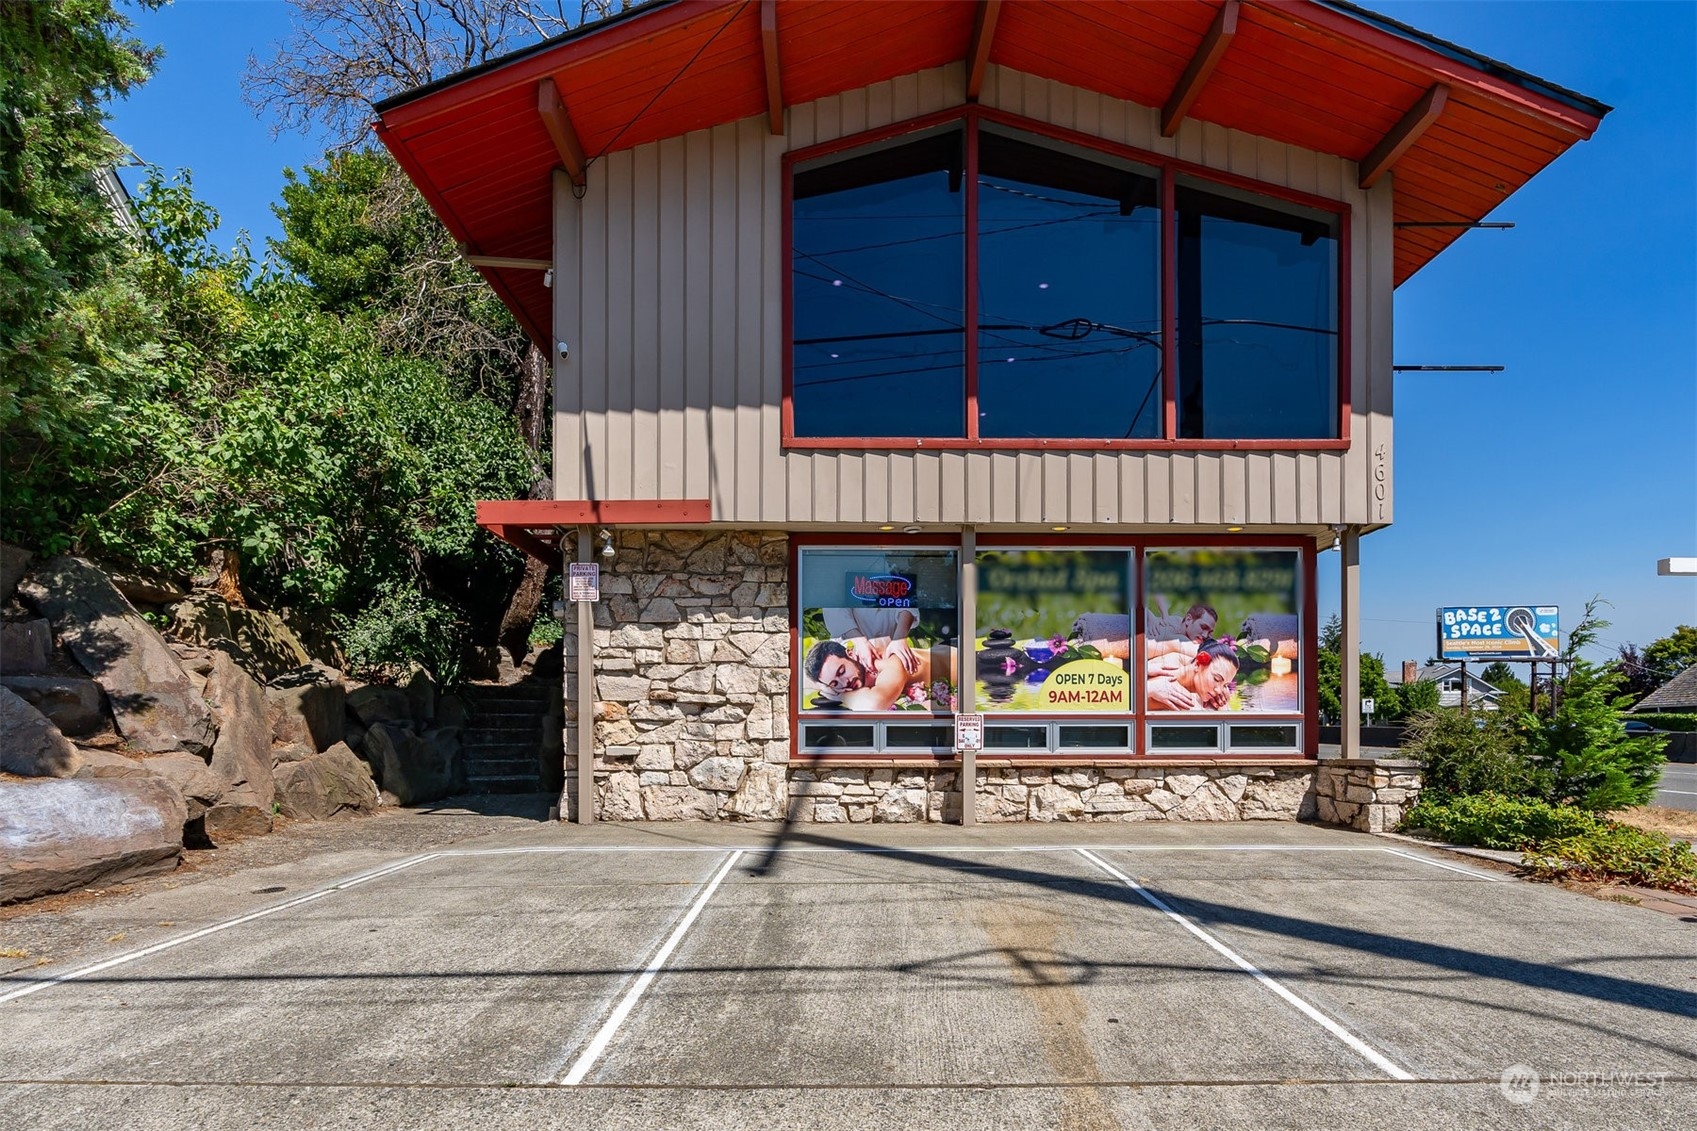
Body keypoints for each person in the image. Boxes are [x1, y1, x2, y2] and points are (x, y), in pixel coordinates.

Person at [804, 637, 957, 712]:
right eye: (835, 684)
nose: (845, 683)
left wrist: (838, 695)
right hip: (941, 652)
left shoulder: (889, 662)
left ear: (851, 654)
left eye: (842, 672)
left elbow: (873, 706)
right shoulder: (863, 675)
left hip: (966, 660)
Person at [823, 606, 920, 678]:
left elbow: (908, 602)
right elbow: (834, 611)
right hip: (850, 649)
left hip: (889, 652)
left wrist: (899, 638)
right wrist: (860, 642)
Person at [1145, 637, 1237, 711]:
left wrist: (1223, 706)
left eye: (1225, 685)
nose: (1219, 690)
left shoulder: (1178, 659)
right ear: (1197, 664)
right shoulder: (1181, 698)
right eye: (1216, 679)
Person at [1144, 600, 1218, 661]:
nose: (1205, 635)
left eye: (1209, 632)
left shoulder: (1180, 623)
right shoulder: (1178, 637)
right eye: (1203, 627)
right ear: (1188, 620)